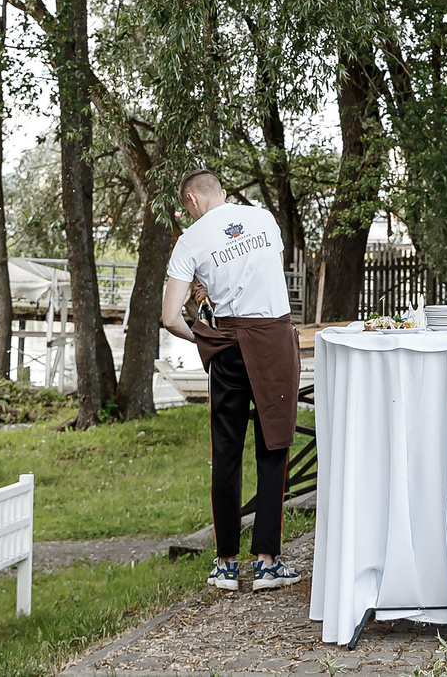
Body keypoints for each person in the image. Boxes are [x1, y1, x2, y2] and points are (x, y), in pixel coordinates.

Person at [159, 170, 300, 594]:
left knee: (227, 451)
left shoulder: (190, 241)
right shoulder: (263, 219)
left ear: (191, 199)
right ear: (222, 193)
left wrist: (206, 334)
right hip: (273, 338)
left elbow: (169, 317)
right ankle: (267, 563)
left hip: (230, 345)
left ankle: (225, 565)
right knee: (274, 446)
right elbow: (270, 276)